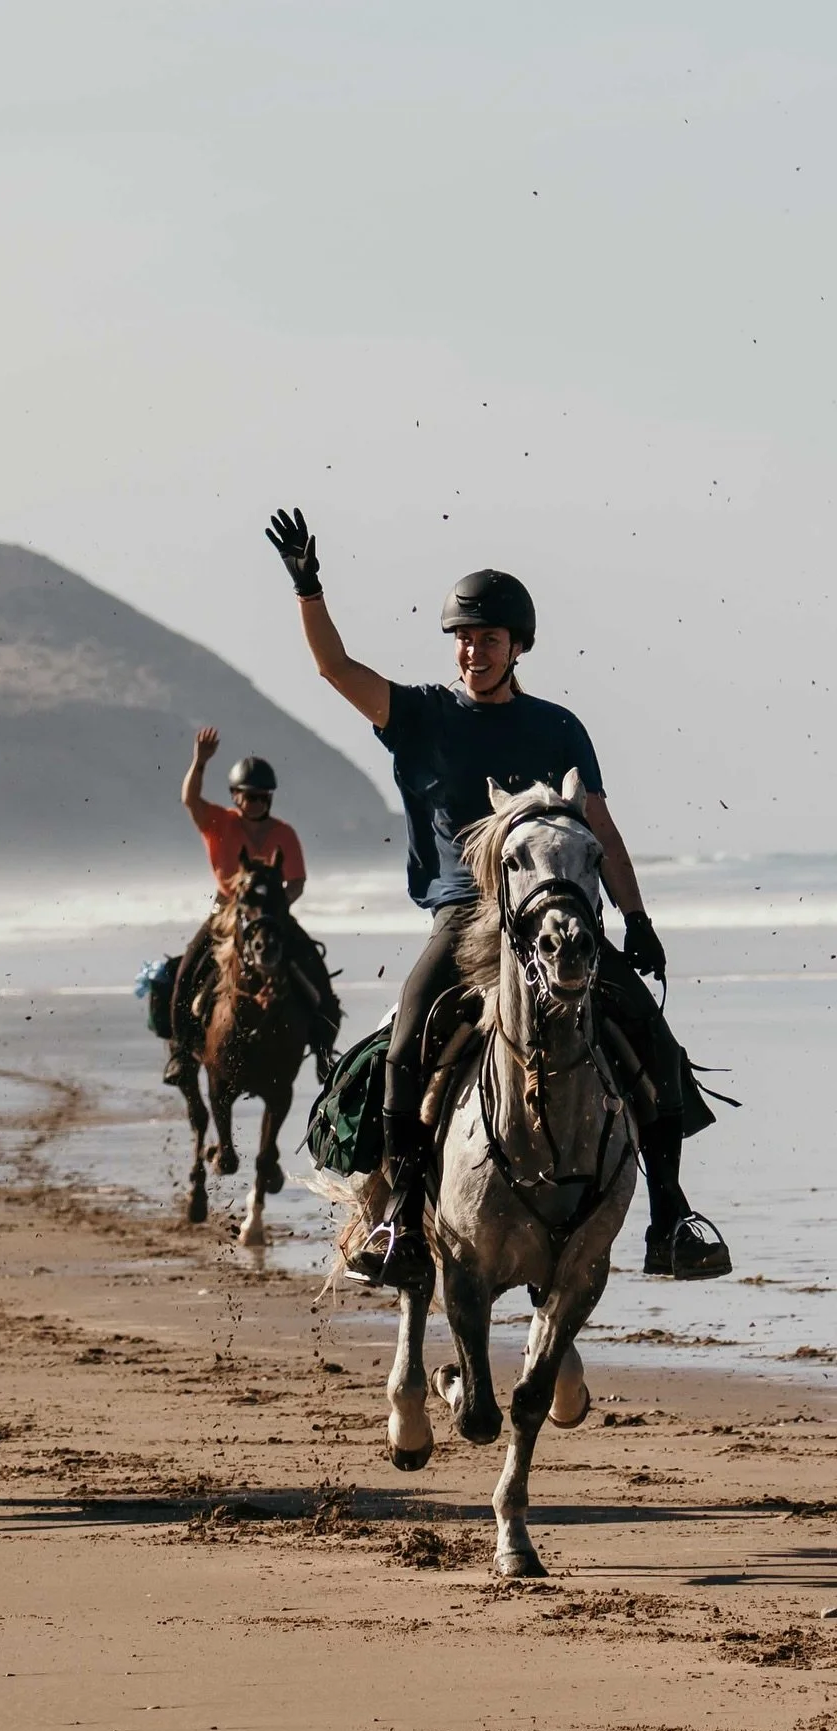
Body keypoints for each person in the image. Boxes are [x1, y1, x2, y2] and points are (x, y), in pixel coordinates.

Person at [265, 506, 730, 1285]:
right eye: (461, 637)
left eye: (485, 639)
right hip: (467, 918)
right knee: (411, 1025)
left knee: (649, 1035)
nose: (469, 650)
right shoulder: (420, 715)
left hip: (556, 914)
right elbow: (335, 669)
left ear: (517, 648)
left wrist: (638, 917)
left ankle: (670, 1216)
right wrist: (310, 590)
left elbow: (601, 832)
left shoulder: (558, 727)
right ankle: (401, 1218)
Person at [163, 725, 342, 1086]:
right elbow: (189, 799)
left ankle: (324, 1052)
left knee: (316, 973)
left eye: (262, 796)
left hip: (272, 917)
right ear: (236, 796)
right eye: (249, 796)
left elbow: (297, 882)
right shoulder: (218, 822)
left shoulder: (284, 833)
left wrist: (275, 910)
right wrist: (199, 762)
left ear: (270, 798)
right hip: (225, 913)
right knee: (186, 972)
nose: (256, 802)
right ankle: (182, 1053)